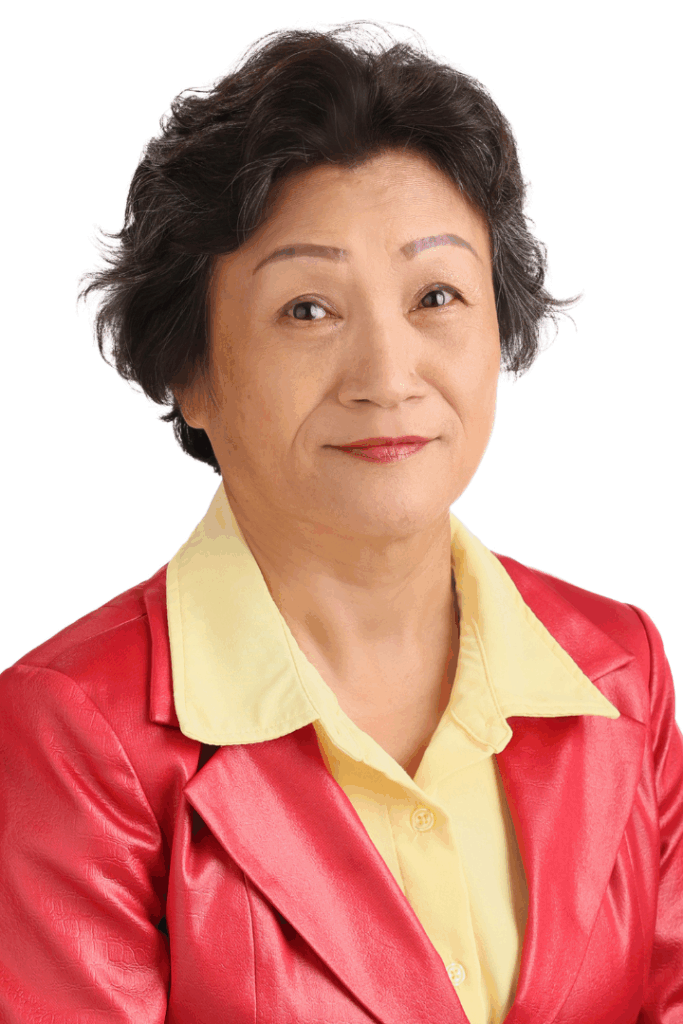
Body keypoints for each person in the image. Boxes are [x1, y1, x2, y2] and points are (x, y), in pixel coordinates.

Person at [0, 22, 681, 1024]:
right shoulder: (74, 731)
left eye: (436, 295)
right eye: (307, 310)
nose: (387, 377)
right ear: (190, 372)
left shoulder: (618, 670)